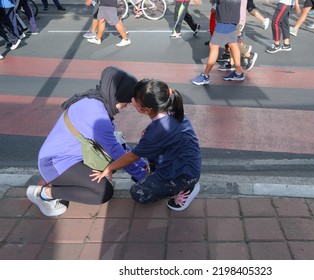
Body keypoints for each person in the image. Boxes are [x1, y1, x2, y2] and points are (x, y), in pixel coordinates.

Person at [26, 66, 149, 217]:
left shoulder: (96, 100)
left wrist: (143, 164)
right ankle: (43, 194)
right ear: (119, 94)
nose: (129, 103)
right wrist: (144, 177)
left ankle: (60, 182)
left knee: (107, 170)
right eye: (129, 98)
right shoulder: (97, 114)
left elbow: (116, 144)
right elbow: (116, 152)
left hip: (74, 157)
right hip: (55, 162)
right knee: (102, 192)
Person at [91, 79, 202, 211]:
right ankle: (169, 181)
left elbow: (132, 157)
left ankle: (187, 189)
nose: (132, 100)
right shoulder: (174, 112)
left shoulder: (156, 131)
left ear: (146, 109)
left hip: (184, 176)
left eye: (135, 100)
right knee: (146, 167)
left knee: (138, 192)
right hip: (182, 164)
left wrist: (109, 168)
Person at [192, 0, 245, 85]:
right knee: (232, 44)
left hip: (226, 18)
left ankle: (205, 75)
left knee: (213, 45)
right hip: (232, 16)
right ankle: (239, 72)